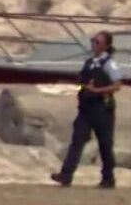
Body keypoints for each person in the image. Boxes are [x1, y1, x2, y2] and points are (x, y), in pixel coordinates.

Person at [50, 31, 122, 188]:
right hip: (86, 108)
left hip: (102, 108)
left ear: (106, 46)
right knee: (77, 140)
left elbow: (117, 85)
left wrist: (97, 90)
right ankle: (66, 174)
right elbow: (81, 82)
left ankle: (108, 178)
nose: (94, 45)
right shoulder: (89, 62)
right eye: (93, 41)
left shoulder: (110, 64)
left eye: (97, 42)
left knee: (105, 144)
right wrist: (79, 87)